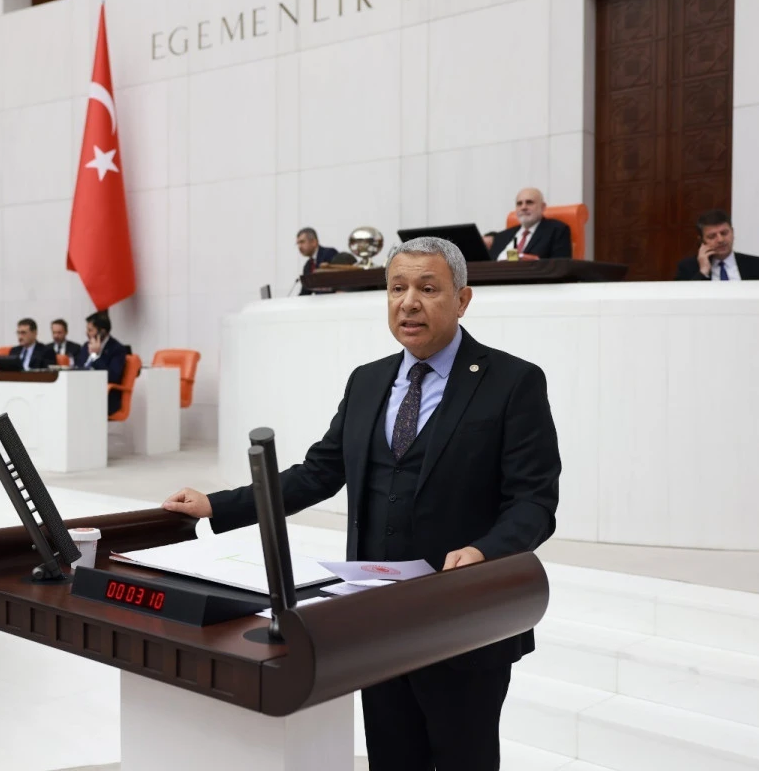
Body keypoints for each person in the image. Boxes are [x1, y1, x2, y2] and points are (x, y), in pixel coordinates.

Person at [163, 236, 561, 770]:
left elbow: (534, 500)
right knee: (391, 758)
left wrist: (486, 552)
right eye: (397, 288)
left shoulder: (512, 382)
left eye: (427, 289)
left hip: (461, 618)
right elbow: (317, 473)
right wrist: (218, 505)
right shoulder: (368, 381)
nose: (408, 303)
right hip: (375, 622)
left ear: (463, 300)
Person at [674, 209, 759, 281]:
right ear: (702, 241)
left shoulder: (758, 265)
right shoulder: (687, 268)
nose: (720, 240)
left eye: (724, 233)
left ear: (732, 232)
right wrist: (703, 272)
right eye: (712, 236)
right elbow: (682, 300)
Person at [488, 188, 572, 261]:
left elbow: (560, 266)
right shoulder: (502, 237)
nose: (523, 207)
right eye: (519, 204)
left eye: (529, 202)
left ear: (543, 207)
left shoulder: (557, 230)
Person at [76, 311, 128, 416]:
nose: (87, 333)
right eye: (87, 329)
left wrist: (95, 356)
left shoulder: (117, 349)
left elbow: (112, 377)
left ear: (102, 332)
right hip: (84, 391)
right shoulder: (86, 346)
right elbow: (79, 368)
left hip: (106, 396)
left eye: (90, 330)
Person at [297, 227, 338, 295]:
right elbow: (305, 292)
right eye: (298, 243)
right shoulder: (307, 266)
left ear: (314, 242)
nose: (299, 247)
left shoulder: (329, 253)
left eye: (302, 242)